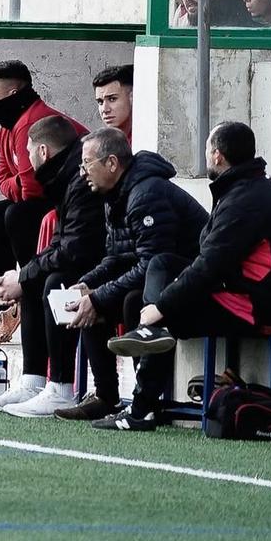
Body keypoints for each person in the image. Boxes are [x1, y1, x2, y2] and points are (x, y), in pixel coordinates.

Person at [106, 122, 271, 376]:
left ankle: (142, 409)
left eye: (207, 149)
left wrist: (161, 306)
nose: (206, 155)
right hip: (237, 289)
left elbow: (211, 264)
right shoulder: (241, 188)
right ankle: (148, 351)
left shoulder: (247, 199)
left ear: (217, 155)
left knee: (166, 313)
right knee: (159, 267)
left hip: (255, 303)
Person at [67, 126, 210, 430]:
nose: (82, 173)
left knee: (128, 301)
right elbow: (117, 258)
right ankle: (106, 397)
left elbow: (152, 264)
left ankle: (145, 405)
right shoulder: (115, 194)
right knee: (91, 299)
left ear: (111, 163)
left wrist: (99, 294)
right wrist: (87, 284)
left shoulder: (146, 194)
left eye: (86, 164)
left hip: (193, 286)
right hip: (160, 278)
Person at [0, 112, 107, 417]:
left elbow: (74, 248)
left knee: (55, 283)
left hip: (114, 264)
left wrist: (23, 277)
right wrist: (23, 276)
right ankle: (34, 381)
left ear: (42, 152)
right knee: (39, 280)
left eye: (27, 151)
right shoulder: (64, 178)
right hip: (100, 259)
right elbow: (64, 242)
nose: (24, 158)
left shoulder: (75, 179)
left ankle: (61, 388)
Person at [0, 60, 74, 344]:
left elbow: (31, 189)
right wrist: (18, 183)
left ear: (14, 93)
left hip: (67, 202)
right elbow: (5, 179)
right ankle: (7, 307)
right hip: (41, 200)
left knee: (18, 215)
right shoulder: (6, 127)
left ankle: (29, 292)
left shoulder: (32, 122)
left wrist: (18, 183)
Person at [93, 63, 133, 139]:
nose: (105, 110)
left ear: (132, 97)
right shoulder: (99, 144)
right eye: (100, 102)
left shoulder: (150, 140)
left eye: (112, 99)